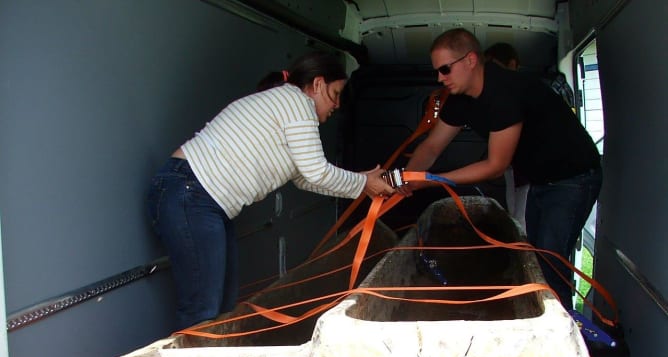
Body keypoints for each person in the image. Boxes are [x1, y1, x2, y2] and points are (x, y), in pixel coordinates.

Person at [147, 51, 395, 329]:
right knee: (202, 310)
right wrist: (364, 183)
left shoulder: (287, 108)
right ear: (317, 84)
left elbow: (305, 178)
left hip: (199, 198)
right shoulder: (297, 102)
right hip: (190, 193)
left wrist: (364, 181)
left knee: (222, 305)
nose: (337, 104)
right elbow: (315, 171)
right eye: (335, 94)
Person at [403, 28, 602, 310]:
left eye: (445, 69)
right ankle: (544, 317)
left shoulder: (504, 91)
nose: (440, 78)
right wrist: (407, 178)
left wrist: (431, 179)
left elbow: (496, 166)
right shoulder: (460, 98)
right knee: (536, 254)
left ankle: (560, 334)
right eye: (437, 71)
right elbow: (432, 146)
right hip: (542, 180)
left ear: (470, 60)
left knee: (549, 261)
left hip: (575, 178)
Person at [483, 42, 529, 231]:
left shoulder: (524, 91)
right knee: (515, 219)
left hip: (531, 175)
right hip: (514, 170)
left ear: (512, 64)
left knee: (522, 222)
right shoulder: (496, 97)